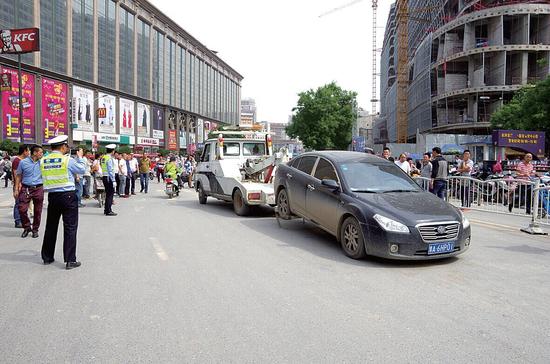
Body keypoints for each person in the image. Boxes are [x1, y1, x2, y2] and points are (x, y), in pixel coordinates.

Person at [40, 135, 85, 269]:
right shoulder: (67, 160)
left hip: (53, 196)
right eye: (66, 146)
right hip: (68, 196)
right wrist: (80, 157)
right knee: (70, 227)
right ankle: (70, 260)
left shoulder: (44, 160)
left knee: (51, 226)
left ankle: (47, 257)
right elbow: (82, 169)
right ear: (63, 147)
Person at [14, 145, 44, 238]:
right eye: (40, 152)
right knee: (22, 209)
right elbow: (18, 175)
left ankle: (35, 229)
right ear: (35, 153)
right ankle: (27, 227)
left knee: (38, 211)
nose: (42, 154)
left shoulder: (43, 162)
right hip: (26, 188)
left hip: (38, 188)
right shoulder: (23, 162)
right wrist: (16, 188)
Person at [11, 145, 30, 228]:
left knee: (22, 203)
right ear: (24, 151)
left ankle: (22, 220)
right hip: (19, 185)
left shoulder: (24, 160)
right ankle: (18, 221)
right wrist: (17, 186)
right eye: (28, 151)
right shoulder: (17, 161)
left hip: (24, 184)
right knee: (18, 203)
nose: (29, 153)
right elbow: (16, 174)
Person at [101, 145, 117, 216]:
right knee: (110, 194)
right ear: (112, 151)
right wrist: (113, 180)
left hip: (104, 177)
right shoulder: (109, 158)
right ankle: (108, 210)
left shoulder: (103, 157)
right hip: (109, 178)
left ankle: (106, 209)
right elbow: (110, 170)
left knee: (108, 194)